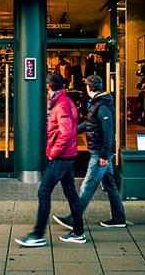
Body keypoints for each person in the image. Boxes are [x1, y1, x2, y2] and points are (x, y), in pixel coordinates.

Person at [15, 73, 85, 247]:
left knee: (43, 191)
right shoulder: (65, 102)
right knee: (71, 193)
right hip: (67, 155)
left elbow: (67, 133)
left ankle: (37, 235)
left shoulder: (61, 105)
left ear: (49, 87)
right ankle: (78, 232)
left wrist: (54, 152)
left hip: (61, 157)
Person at [53, 75, 126, 229]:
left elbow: (108, 133)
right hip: (100, 152)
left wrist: (104, 156)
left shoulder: (102, 105)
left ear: (88, 88)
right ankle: (119, 218)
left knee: (87, 186)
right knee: (110, 185)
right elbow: (90, 123)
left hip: (100, 153)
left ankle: (74, 218)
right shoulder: (98, 104)